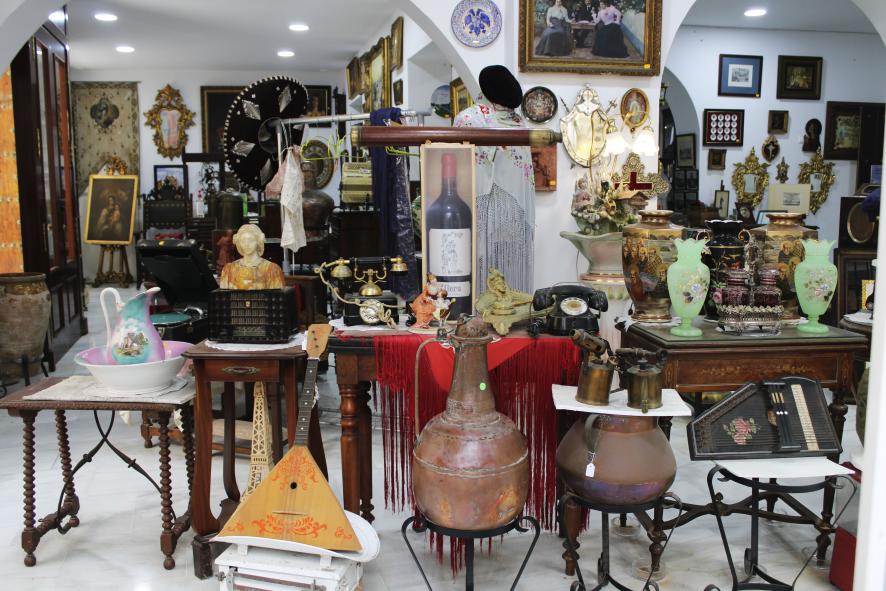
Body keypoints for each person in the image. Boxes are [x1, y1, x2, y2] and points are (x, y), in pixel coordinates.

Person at [219, 224, 285, 290]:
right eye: (243, 240)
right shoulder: (229, 270)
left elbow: (277, 294)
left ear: (258, 242)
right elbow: (224, 294)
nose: (246, 244)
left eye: (251, 240)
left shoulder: (271, 270)